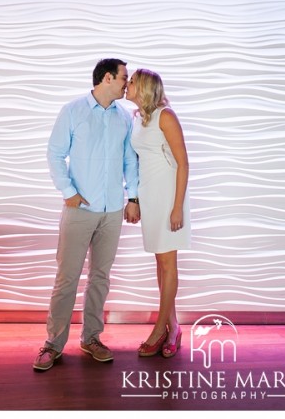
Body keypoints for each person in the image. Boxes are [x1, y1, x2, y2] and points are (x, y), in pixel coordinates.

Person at [34, 58, 140, 371]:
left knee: (100, 278)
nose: (127, 83)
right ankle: (53, 344)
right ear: (107, 78)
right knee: (67, 278)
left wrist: (133, 197)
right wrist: (68, 192)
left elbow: (129, 161)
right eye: (123, 77)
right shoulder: (73, 111)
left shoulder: (124, 117)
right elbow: (55, 153)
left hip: (112, 210)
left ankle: (91, 338)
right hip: (79, 209)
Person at [125, 69, 190, 358]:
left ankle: (160, 328)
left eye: (132, 82)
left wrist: (177, 207)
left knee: (168, 263)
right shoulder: (137, 117)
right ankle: (173, 327)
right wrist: (137, 199)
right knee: (160, 263)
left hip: (168, 196)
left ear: (144, 88)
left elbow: (183, 164)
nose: (127, 85)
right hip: (150, 195)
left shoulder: (166, 116)